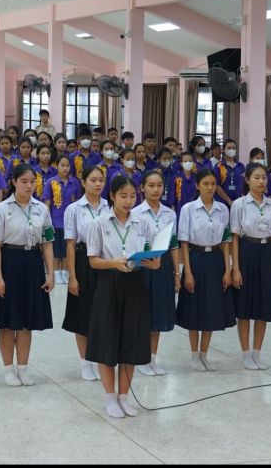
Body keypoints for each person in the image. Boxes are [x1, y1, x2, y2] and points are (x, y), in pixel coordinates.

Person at [85, 175, 160, 419]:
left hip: (135, 284)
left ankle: (124, 397)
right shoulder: (99, 223)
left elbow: (151, 257)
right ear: (112, 196)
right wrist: (113, 263)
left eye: (132, 196)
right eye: (123, 196)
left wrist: (154, 263)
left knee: (132, 341)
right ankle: (110, 398)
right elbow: (93, 261)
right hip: (109, 284)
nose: (128, 201)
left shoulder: (142, 224)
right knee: (107, 341)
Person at [0, 164, 55, 387]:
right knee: (7, 322)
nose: (29, 186)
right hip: (9, 262)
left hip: (33, 263)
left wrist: (50, 273)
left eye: (32, 181)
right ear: (14, 182)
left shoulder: (41, 209)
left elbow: (47, 243)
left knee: (27, 321)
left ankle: (23, 368)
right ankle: (8, 369)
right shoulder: (1, 209)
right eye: (24, 181)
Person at [176, 168, 234, 372]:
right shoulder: (189, 209)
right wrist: (188, 272)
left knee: (212, 307)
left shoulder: (222, 209)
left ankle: (204, 354)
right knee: (195, 307)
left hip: (216, 259)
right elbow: (184, 242)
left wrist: (228, 269)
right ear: (197, 185)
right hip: (196, 258)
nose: (210, 188)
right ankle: (194, 355)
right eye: (205, 184)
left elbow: (226, 240)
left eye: (213, 184)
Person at [230, 163, 271, 371]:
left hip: (267, 254)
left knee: (263, 306)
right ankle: (245, 353)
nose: (262, 181)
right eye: (257, 177)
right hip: (247, 252)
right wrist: (235, 268)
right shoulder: (239, 205)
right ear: (247, 180)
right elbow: (234, 238)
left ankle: (257, 353)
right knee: (245, 306)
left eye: (264, 177)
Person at [63, 165, 109, 381]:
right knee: (82, 313)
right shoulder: (74, 209)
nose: (98, 184)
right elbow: (70, 245)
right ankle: (85, 362)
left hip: (104, 260)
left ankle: (98, 358)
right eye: (93, 180)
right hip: (82, 260)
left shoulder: (109, 206)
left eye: (101, 180)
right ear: (83, 182)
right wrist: (72, 276)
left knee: (102, 313)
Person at [132, 170, 180, 377]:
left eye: (159, 185)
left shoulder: (170, 213)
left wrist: (177, 272)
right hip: (142, 265)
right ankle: (140, 358)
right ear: (142, 188)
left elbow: (174, 244)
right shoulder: (135, 213)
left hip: (163, 265)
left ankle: (151, 358)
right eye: (151, 185)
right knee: (143, 314)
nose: (156, 189)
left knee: (158, 314)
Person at [44, 156, 80, 286]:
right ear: (57, 166)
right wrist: (48, 222)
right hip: (55, 220)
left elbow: (77, 202)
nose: (65, 168)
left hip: (70, 221)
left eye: (67, 166)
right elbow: (47, 204)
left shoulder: (75, 182)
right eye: (62, 165)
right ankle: (55, 271)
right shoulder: (50, 183)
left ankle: (65, 271)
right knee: (55, 248)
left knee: (67, 247)